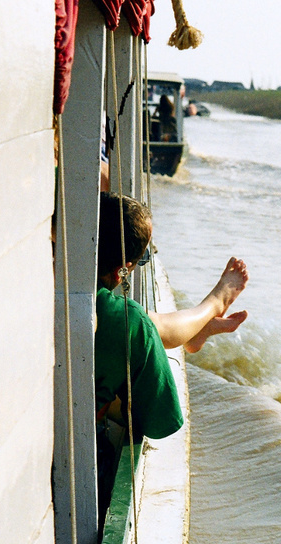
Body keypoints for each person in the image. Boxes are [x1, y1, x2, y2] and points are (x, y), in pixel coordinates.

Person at [94, 191, 247, 521]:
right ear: (125, 269)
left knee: (139, 322)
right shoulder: (125, 321)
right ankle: (210, 310)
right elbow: (160, 421)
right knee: (141, 325)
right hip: (85, 452)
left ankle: (204, 320)